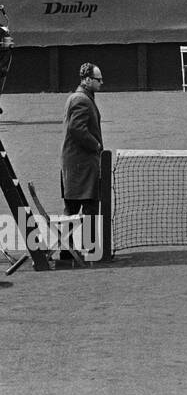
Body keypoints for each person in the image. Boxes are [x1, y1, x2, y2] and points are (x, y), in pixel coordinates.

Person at [61, 62, 105, 261]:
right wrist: (95, 145)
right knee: (86, 206)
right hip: (82, 165)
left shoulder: (82, 97)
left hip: (78, 164)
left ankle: (70, 250)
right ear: (87, 80)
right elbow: (76, 129)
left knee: (76, 206)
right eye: (98, 79)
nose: (101, 82)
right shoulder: (81, 100)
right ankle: (89, 249)